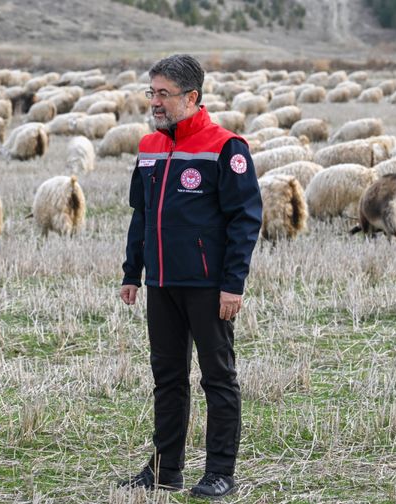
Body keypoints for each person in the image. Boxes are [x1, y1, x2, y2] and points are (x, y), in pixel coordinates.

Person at [118, 54, 262, 499]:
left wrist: (233, 284)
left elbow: (245, 219)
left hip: (207, 287)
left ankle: (221, 472)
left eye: (164, 94)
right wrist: (132, 272)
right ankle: (166, 469)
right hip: (161, 284)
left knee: (217, 377)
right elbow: (141, 216)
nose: (155, 102)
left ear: (192, 97)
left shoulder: (226, 147)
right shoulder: (149, 147)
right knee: (167, 379)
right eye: (152, 92)